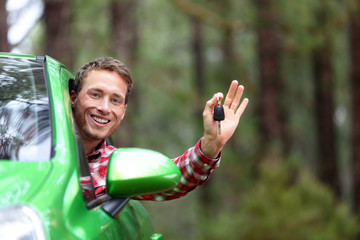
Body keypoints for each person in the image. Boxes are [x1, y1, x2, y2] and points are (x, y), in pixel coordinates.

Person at [70, 57, 249, 201]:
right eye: (95, 95)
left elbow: (173, 180)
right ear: (73, 97)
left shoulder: (114, 166)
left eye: (115, 100)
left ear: (123, 111)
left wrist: (211, 144)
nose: (105, 108)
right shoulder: (43, 147)